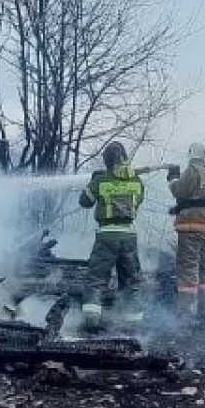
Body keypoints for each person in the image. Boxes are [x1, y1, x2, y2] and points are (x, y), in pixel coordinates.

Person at [78, 141, 146, 329]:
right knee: (130, 280)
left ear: (106, 160)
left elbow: (84, 201)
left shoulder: (100, 181)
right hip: (129, 237)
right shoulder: (136, 182)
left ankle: (91, 319)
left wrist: (93, 181)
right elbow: (138, 200)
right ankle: (133, 323)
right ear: (124, 157)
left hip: (107, 236)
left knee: (97, 278)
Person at [168, 141, 205, 319]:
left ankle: (186, 310)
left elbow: (179, 191)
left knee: (188, 268)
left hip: (190, 228)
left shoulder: (193, 170)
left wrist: (173, 179)